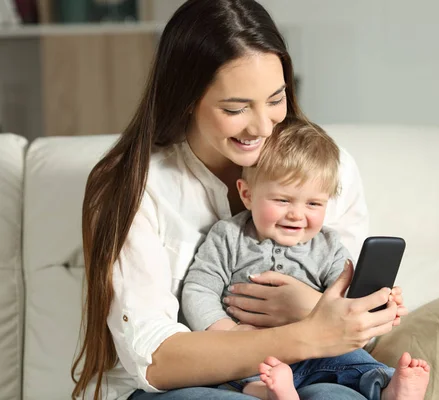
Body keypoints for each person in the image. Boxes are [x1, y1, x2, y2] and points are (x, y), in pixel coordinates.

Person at [71, 0, 407, 399]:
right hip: (181, 387)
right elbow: (155, 359)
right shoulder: (133, 187)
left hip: (306, 375)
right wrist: (308, 332)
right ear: (186, 99)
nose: (263, 126)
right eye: (235, 108)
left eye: (276, 98)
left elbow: (348, 324)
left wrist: (317, 309)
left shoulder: (330, 169)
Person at [181, 118, 430, 400]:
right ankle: (271, 391)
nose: (297, 214)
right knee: (230, 371)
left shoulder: (328, 246)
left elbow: (346, 303)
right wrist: (228, 331)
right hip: (252, 352)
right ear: (247, 194)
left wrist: (376, 305)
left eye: (313, 204)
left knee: (353, 360)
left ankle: (386, 387)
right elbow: (198, 288)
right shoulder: (229, 236)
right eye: (283, 200)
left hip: (318, 352)